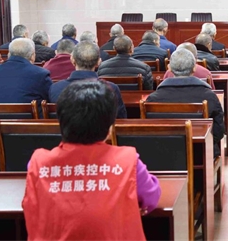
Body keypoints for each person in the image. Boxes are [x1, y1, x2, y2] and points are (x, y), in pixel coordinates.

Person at [22, 81, 161, 240]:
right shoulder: (128, 161)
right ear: (110, 128)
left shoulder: (38, 163)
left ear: (61, 122)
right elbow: (151, 198)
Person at [146, 49, 224, 157]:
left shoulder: (153, 99)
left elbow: (149, 131)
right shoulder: (208, 96)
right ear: (194, 68)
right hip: (200, 154)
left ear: (169, 68)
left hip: (162, 155)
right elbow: (219, 131)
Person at [49, 42, 127, 119]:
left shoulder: (55, 88)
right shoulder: (111, 88)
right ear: (99, 62)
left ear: (72, 60)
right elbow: (121, 119)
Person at [0, 38, 52, 104]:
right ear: (32, 56)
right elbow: (50, 98)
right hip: (30, 111)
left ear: (9, 54)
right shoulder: (41, 74)